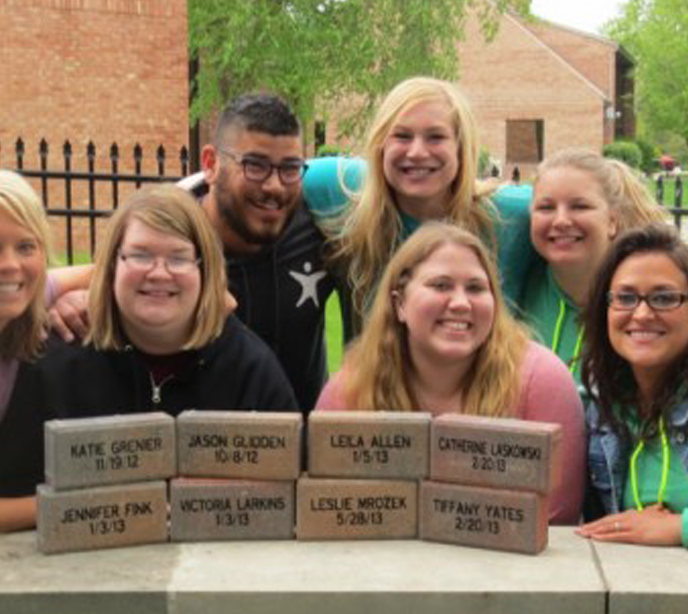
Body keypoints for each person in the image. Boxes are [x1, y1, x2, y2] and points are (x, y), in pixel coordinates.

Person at [316, 222, 585, 524]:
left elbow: (556, 517)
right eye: (440, 285)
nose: (460, 303)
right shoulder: (351, 389)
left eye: (476, 288)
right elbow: (331, 511)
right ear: (399, 303)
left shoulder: (541, 381)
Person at [36, 184, 298, 418]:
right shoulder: (60, 361)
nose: (159, 273)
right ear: (113, 264)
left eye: (178, 258)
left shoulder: (250, 372)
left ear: (204, 270)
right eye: (140, 255)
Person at [303, 76, 534, 332]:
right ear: (381, 145)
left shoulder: (513, 215)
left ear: (461, 148)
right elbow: (263, 176)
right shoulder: (340, 192)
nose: (416, 152)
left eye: (435, 137)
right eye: (402, 136)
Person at [577, 224, 688, 547]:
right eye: (625, 297)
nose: (641, 313)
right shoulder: (599, 409)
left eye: (664, 298)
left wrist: (678, 528)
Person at [520, 148, 665, 389]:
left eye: (580, 206)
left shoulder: (648, 306)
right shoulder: (517, 284)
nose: (561, 220)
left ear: (612, 221)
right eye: (546, 208)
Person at [0, 170, 90, 532]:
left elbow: (110, 271)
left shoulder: (26, 289)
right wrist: (76, 506)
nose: (10, 265)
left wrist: (80, 297)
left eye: (26, 246)